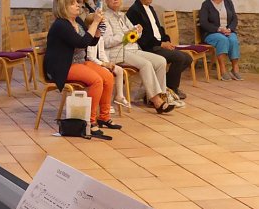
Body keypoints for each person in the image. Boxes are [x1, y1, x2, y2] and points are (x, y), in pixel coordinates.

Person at [44, 0, 120, 138]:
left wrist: (97, 29)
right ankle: (90, 122)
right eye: (73, 4)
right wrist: (95, 22)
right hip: (63, 66)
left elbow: (90, 42)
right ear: (63, 8)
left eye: (77, 2)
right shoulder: (61, 25)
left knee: (107, 76)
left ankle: (104, 116)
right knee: (96, 81)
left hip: (79, 62)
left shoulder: (77, 20)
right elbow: (81, 42)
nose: (78, 5)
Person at [103, 0, 177, 113]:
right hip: (118, 52)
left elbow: (134, 34)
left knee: (160, 61)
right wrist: (125, 35)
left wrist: (138, 31)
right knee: (146, 64)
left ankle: (159, 96)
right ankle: (157, 101)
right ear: (106, 1)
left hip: (133, 49)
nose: (115, 0)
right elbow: (107, 42)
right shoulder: (104, 17)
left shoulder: (122, 15)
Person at [126, 0, 192, 100]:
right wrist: (161, 44)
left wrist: (166, 40)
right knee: (179, 57)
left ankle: (166, 86)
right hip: (149, 47)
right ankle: (172, 89)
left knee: (188, 58)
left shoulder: (151, 8)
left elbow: (158, 28)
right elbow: (142, 37)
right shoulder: (134, 11)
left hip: (159, 44)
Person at [83, 13, 131, 110]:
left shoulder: (99, 37)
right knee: (106, 74)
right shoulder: (87, 38)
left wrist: (108, 63)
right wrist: (103, 64)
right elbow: (90, 57)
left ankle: (119, 96)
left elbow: (101, 53)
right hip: (90, 64)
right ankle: (104, 103)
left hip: (100, 63)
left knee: (119, 70)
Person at [199, 0, 242, 81]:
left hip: (227, 31)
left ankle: (235, 69)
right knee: (222, 40)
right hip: (211, 32)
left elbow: (234, 19)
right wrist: (218, 29)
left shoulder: (228, 2)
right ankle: (223, 70)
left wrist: (230, 29)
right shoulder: (206, 4)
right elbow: (203, 23)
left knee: (233, 40)